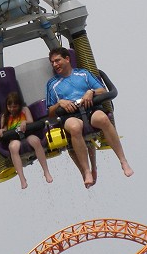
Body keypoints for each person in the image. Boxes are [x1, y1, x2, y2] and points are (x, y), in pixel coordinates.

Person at [46, 47, 133, 188]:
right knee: (75, 128)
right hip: (70, 116)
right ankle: (86, 171)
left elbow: (102, 90)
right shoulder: (52, 84)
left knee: (103, 119)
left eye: (57, 60)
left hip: (90, 109)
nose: (55, 65)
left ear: (67, 59)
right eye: (52, 63)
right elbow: (50, 112)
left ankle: (123, 161)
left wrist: (90, 92)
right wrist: (60, 103)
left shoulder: (83, 74)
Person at [0, 92, 53, 190]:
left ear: (19, 105)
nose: (12, 109)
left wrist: (25, 122)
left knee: (36, 141)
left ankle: (46, 171)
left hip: (27, 135)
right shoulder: (5, 116)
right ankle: (22, 178)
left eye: (14, 107)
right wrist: (1, 131)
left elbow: (31, 121)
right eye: (9, 107)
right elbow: (4, 128)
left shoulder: (25, 110)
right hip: (14, 138)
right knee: (13, 147)